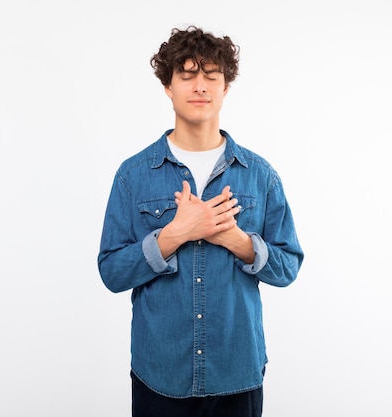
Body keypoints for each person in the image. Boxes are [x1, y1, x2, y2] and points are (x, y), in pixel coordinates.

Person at [98, 25, 304, 417]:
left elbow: (288, 266)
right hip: (159, 374)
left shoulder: (259, 175)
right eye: (187, 75)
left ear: (226, 88)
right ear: (168, 87)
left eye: (212, 76)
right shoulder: (133, 175)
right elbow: (111, 272)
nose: (200, 86)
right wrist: (173, 235)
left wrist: (237, 241)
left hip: (236, 373)